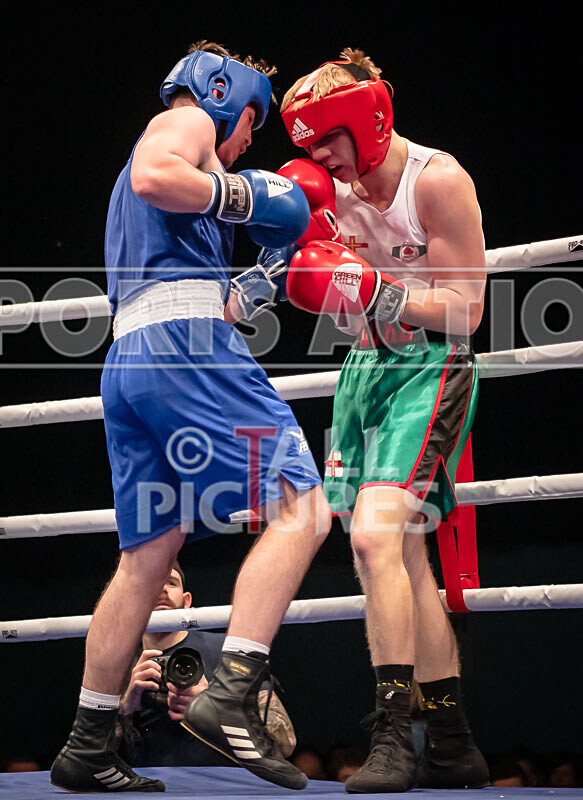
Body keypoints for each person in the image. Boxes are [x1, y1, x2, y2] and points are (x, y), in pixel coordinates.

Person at [50, 39, 330, 794]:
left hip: (132, 359)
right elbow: (157, 174)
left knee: (149, 552)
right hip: (182, 349)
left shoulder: (166, 187)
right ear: (226, 101)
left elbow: (193, 282)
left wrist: (259, 279)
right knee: (304, 503)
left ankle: (86, 742)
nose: (244, 148)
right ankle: (232, 686)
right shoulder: (184, 129)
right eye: (250, 130)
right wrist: (245, 195)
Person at [278, 48, 489, 792]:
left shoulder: (436, 181)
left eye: (324, 141)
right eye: (305, 147)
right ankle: (454, 743)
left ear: (363, 121)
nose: (316, 159)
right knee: (400, 558)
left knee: (373, 537)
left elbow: (466, 309)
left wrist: (375, 290)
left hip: (429, 367)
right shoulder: (323, 190)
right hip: (363, 372)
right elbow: (307, 273)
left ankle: (394, 735)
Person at [116, 561, 297, 766]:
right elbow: (94, 756)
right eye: (152, 582)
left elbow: (285, 743)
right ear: (133, 600)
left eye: (171, 582)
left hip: (224, 788)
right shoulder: (116, 666)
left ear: (186, 601)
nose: (162, 588)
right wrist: (125, 708)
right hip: (151, 789)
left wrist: (213, 710)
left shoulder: (228, 650)